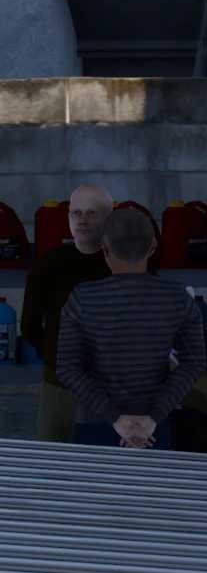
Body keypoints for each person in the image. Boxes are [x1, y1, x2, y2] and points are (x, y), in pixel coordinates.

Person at [56, 207, 205, 450]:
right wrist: (153, 417)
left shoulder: (82, 298)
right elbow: (194, 363)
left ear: (104, 248)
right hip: (154, 427)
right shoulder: (177, 297)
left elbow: (67, 369)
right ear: (153, 247)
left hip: (96, 422)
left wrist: (115, 418)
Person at [20, 185, 115, 443]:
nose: (82, 220)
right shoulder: (49, 263)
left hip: (112, 386)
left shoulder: (125, 263)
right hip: (59, 383)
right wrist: (55, 358)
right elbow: (29, 325)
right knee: (54, 454)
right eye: (76, 213)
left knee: (109, 457)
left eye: (92, 213)